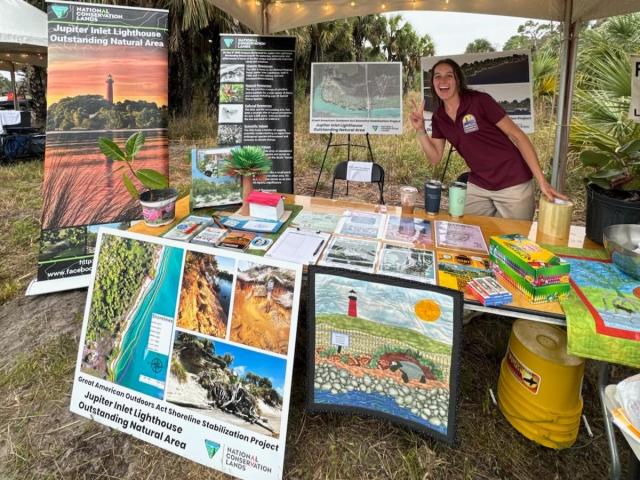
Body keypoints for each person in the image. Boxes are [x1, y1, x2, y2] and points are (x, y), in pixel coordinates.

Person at [409, 58, 567, 220]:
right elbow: (435, 158)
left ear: (457, 80)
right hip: (479, 184)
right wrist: (421, 130)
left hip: (513, 182)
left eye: (449, 75)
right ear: (433, 84)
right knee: (467, 235)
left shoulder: (479, 101)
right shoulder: (439, 118)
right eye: (437, 76)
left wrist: (542, 181)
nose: (443, 80)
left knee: (513, 240)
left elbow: (518, 136)